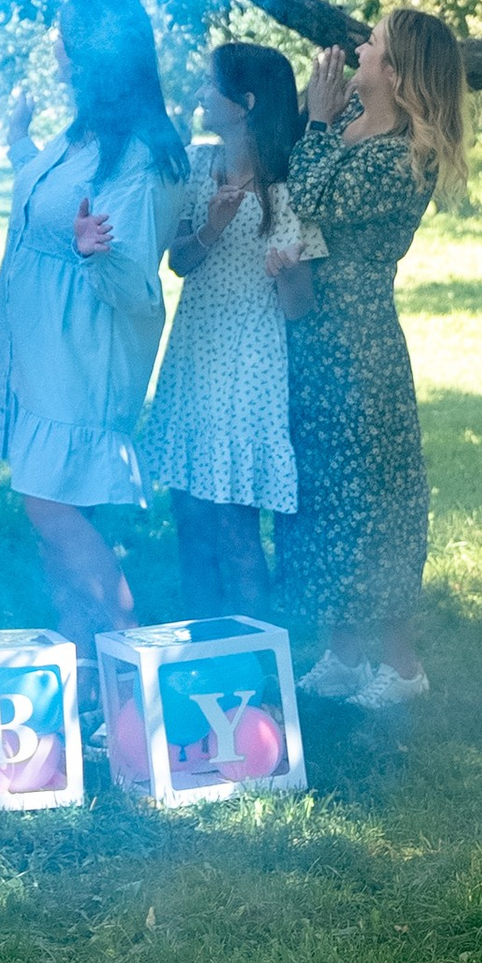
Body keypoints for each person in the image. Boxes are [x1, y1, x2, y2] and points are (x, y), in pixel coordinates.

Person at [0, 0, 194, 661]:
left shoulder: (141, 157)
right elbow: (46, 197)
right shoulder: (83, 136)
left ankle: (138, 660)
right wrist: (18, 140)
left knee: (52, 507)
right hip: (42, 352)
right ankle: (85, 661)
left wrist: (94, 255)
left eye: (63, 34)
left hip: (83, 357)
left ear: (90, 53)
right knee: (49, 514)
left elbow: (137, 287)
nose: (54, 44)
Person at [280, 9, 468, 709]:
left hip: (359, 344)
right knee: (324, 492)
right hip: (312, 332)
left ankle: (403, 666)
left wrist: (321, 124)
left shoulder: (403, 155)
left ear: (396, 72)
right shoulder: (351, 126)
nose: (358, 48)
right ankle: (343, 654)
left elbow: (307, 195)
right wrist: (323, 121)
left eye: (374, 44)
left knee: (373, 499)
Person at [144, 42, 318, 620]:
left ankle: (258, 672)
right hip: (195, 352)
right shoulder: (199, 165)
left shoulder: (288, 184)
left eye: (208, 85)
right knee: (189, 513)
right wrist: (210, 229)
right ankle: (201, 656)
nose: (198, 94)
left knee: (233, 521)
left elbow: (299, 307)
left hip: (250, 361)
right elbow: (180, 263)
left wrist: (290, 271)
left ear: (243, 103)